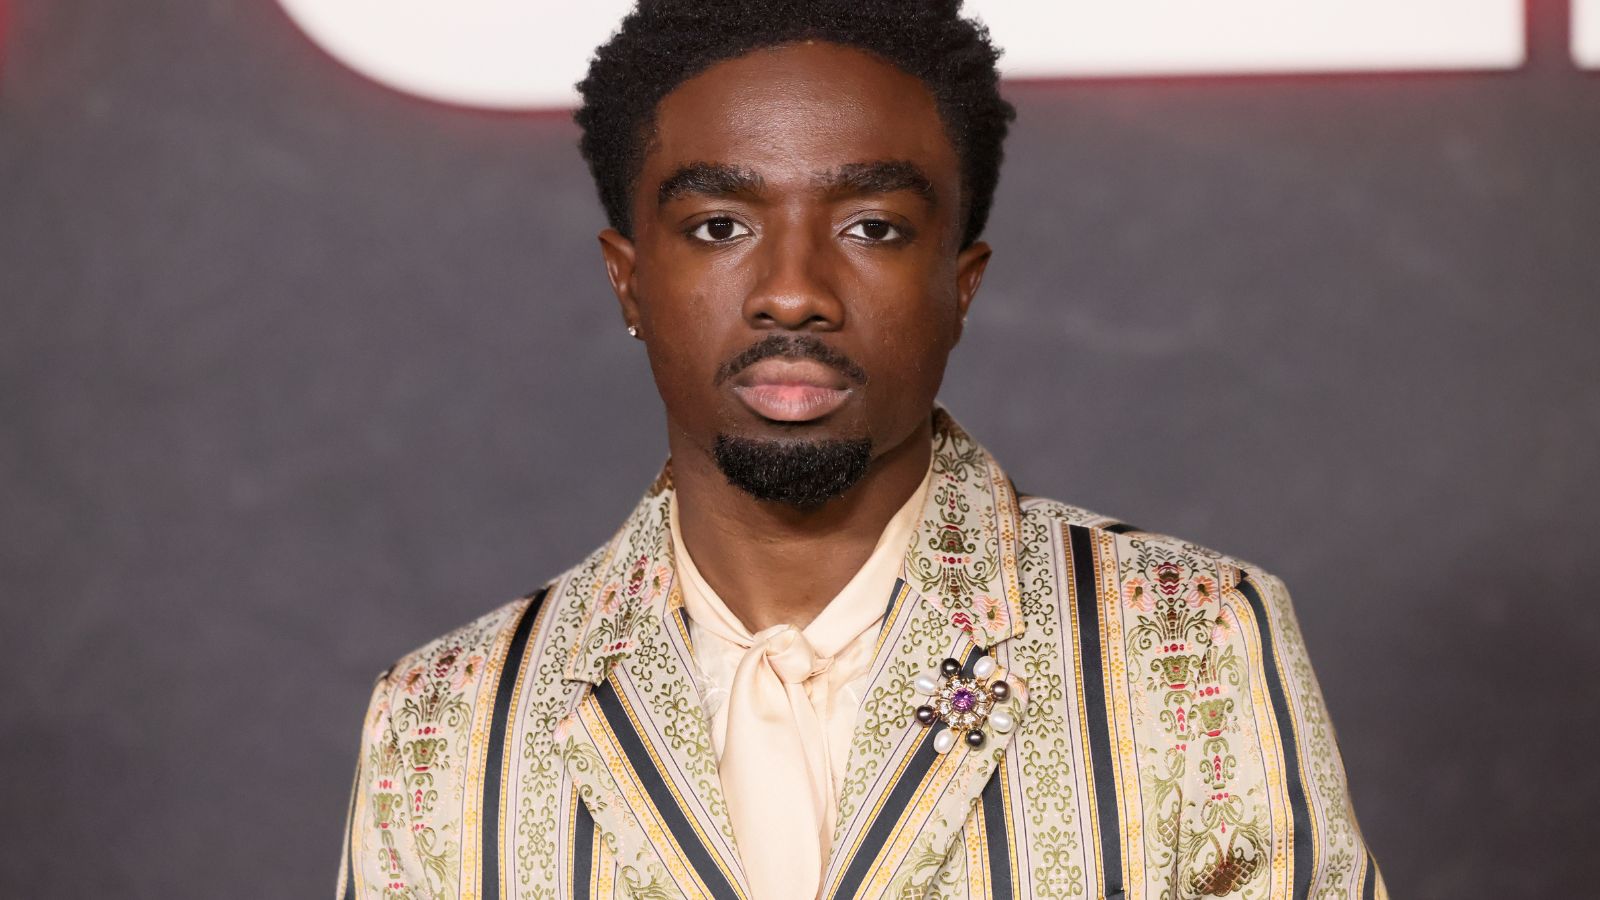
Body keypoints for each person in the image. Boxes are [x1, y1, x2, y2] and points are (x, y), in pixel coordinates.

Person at [338, 2, 1384, 897]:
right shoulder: (448, 721)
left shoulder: (1186, 641)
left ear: (960, 285)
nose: (793, 289)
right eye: (717, 226)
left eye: (873, 227)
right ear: (628, 281)